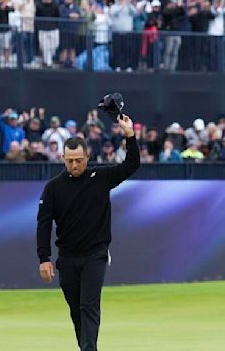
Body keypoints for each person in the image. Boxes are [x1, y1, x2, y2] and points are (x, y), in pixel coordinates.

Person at [36, 114, 140, 351]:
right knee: (76, 311)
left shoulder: (100, 178)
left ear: (87, 157)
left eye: (79, 160)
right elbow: (43, 222)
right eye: (70, 160)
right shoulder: (53, 188)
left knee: (88, 306)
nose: (74, 165)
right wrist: (44, 258)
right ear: (63, 158)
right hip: (68, 257)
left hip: (96, 254)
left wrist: (129, 135)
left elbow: (131, 165)